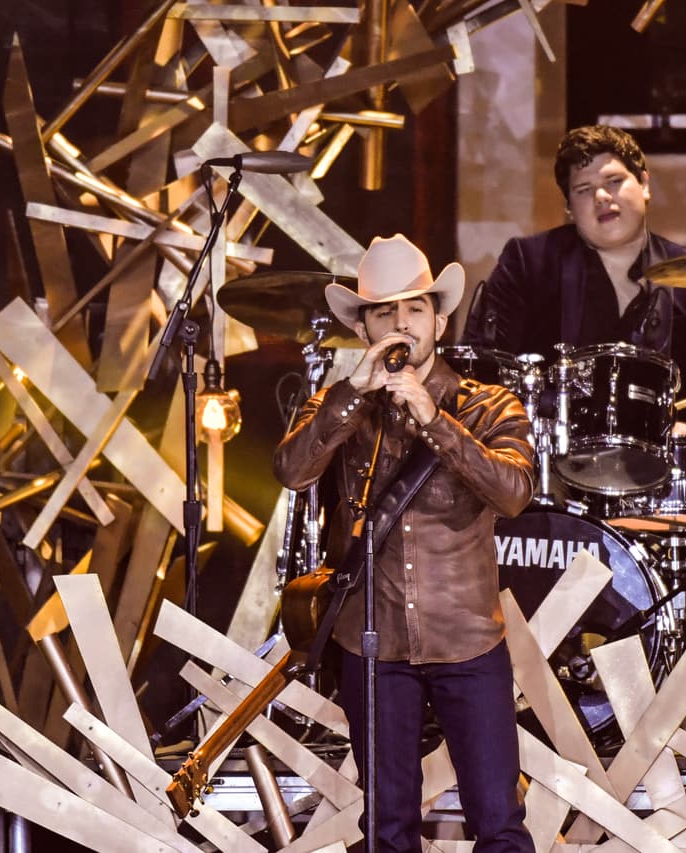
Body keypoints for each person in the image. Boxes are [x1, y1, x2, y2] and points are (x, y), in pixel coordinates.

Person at [273, 234, 536, 853]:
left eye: (414, 308)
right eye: (383, 310)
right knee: (387, 830)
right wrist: (349, 398)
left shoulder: (488, 403)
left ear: (438, 320)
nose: (400, 322)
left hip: (468, 640)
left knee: (498, 821)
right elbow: (291, 471)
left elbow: (515, 492)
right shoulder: (341, 406)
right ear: (363, 326)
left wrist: (433, 420)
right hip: (374, 643)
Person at [462, 124, 686, 432]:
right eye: (583, 190)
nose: (601, 196)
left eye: (614, 181)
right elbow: (482, 367)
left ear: (644, 185)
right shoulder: (528, 262)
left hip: (666, 464)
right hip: (550, 461)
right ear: (569, 207)